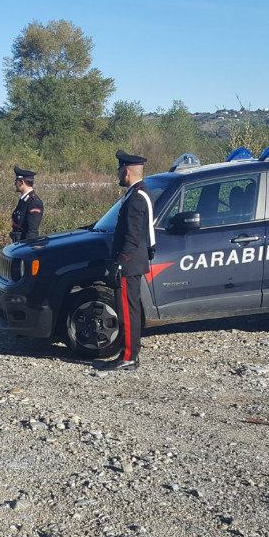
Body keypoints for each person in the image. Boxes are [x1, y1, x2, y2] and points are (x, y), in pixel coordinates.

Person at [102, 150, 155, 371]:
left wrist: (120, 262)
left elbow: (132, 236)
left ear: (126, 172)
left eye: (119, 170)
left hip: (130, 262)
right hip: (134, 260)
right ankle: (131, 353)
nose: (117, 174)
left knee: (127, 310)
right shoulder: (140, 193)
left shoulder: (136, 198)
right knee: (130, 308)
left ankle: (129, 356)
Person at [9, 166, 44, 242]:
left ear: (21, 182)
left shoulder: (34, 202)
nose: (15, 183)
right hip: (18, 244)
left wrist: (26, 250)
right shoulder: (24, 200)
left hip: (24, 246)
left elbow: (32, 232)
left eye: (16, 181)